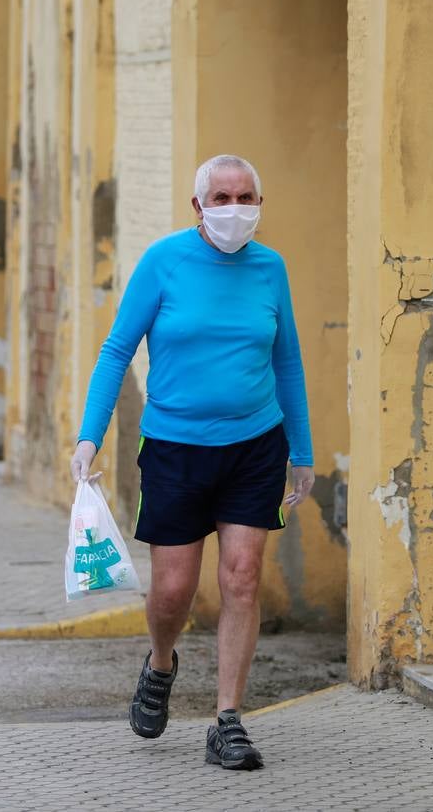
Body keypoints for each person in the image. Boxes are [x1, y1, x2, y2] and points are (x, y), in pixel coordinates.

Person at [70, 154, 314, 771]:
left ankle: (227, 720)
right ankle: (160, 662)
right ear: (197, 207)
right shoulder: (164, 262)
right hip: (175, 449)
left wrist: (302, 452)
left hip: (256, 446)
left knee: (241, 578)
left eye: (247, 196)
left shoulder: (270, 268)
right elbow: (116, 349)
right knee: (173, 590)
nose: (236, 208)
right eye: (223, 197)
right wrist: (88, 437)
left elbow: (287, 360)